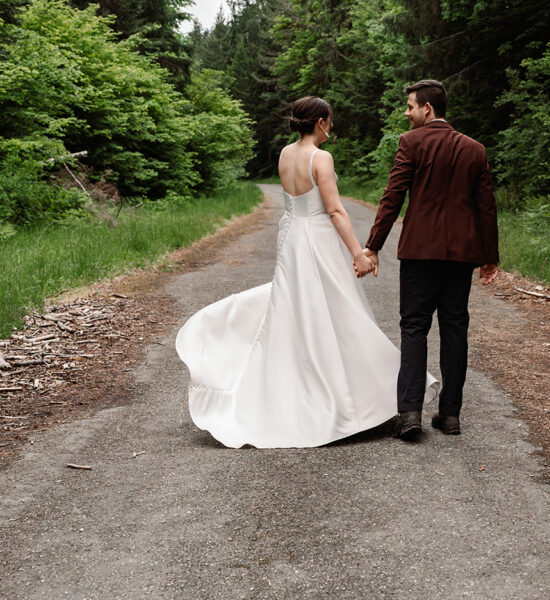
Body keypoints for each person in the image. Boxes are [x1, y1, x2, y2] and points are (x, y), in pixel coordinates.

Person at [175, 95, 436, 449]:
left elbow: (293, 202)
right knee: (336, 310)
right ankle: (347, 396)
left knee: (297, 310)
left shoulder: (285, 154)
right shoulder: (320, 157)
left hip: (292, 236)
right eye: (330, 120)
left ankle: (301, 386)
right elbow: (335, 211)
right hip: (317, 239)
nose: (332, 127)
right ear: (320, 122)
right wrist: (359, 253)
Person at [359, 79, 499, 441]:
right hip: (461, 257)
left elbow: (393, 197)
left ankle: (410, 414)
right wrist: (489, 257)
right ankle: (450, 414)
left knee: (414, 328)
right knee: (455, 329)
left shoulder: (411, 143)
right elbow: (486, 208)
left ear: (428, 108)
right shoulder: (475, 150)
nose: (406, 113)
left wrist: (373, 244)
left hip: (420, 253)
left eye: (410, 106)